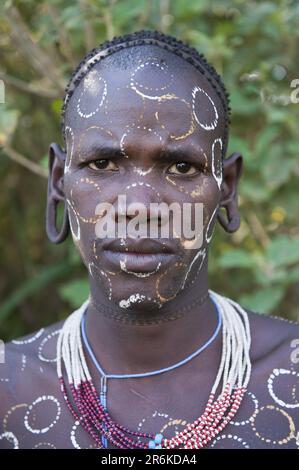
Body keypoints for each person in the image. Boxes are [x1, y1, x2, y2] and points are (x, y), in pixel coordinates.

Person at [0, 30, 298, 450]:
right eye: (102, 163)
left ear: (226, 187)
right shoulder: (10, 390)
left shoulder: (290, 375)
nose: (139, 206)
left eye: (181, 168)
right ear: (58, 183)